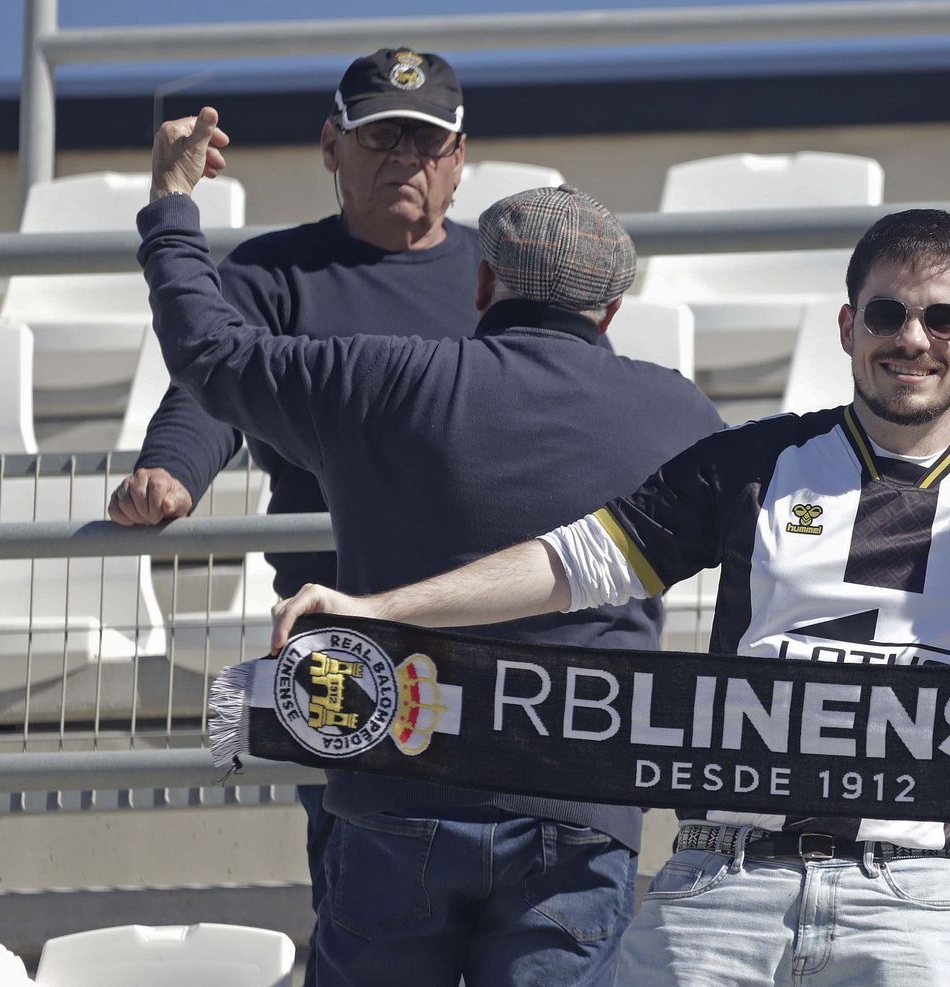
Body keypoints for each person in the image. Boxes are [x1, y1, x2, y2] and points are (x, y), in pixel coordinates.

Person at [268, 207, 950, 987]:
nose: (913, 338)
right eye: (888, 313)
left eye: (942, 318)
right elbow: (577, 563)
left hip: (914, 902)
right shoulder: (755, 462)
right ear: (847, 327)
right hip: (725, 881)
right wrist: (383, 610)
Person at [139, 107, 725, 986]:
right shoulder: (680, 414)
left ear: (483, 281)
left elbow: (207, 351)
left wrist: (172, 202)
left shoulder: (384, 378)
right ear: (610, 309)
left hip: (396, 788)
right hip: (580, 807)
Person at [106, 48, 481, 932]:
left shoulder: (500, 277)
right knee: (364, 907)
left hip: (487, 631)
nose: (404, 157)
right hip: (336, 640)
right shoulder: (272, 275)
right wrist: (171, 473)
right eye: (380, 135)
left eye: (427, 142)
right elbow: (211, 392)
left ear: (459, 161)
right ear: (330, 146)